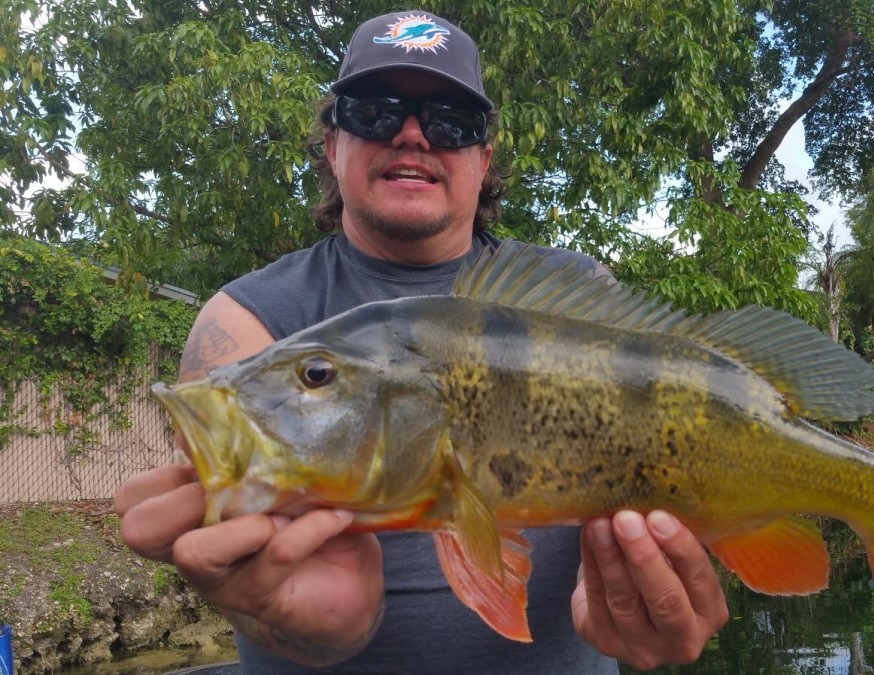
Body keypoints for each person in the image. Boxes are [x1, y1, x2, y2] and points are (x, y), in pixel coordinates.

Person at [114, 10, 728, 674]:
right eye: (376, 111)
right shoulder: (245, 319)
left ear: (483, 157)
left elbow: (692, 472)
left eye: (450, 120)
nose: (412, 135)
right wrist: (307, 624)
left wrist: (654, 611)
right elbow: (253, 567)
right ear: (332, 146)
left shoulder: (576, 292)